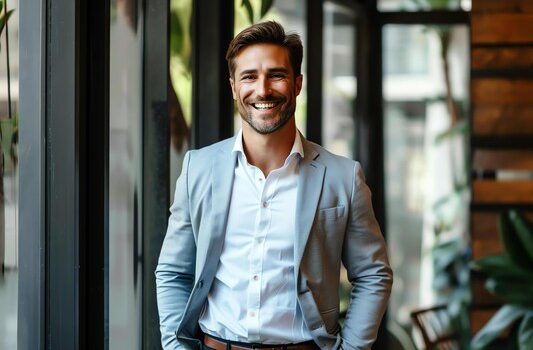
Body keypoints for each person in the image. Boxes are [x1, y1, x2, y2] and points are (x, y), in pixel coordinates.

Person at [156, 21, 392, 350]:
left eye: (276, 75)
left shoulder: (342, 176)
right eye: (249, 76)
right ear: (234, 87)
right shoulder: (199, 168)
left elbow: (372, 274)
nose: (263, 89)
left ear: (297, 84)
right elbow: (172, 271)